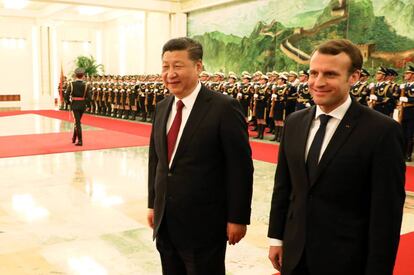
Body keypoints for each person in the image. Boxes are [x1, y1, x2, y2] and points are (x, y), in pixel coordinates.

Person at [267, 39, 405, 275]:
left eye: (330, 74)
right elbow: (284, 187)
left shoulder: (381, 131)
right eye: (313, 73)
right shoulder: (295, 122)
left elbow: (386, 212)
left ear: (354, 77)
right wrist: (277, 239)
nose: (318, 82)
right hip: (295, 252)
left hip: (347, 259)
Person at [147, 37, 253, 275]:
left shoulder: (224, 107)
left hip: (204, 224)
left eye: (178, 65)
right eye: (165, 66)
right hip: (166, 221)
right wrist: (153, 204)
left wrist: (237, 217)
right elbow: (156, 160)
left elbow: (240, 167)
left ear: (198, 67)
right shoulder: (163, 106)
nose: (170, 73)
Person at [65, 68, 91, 146]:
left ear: (76, 75)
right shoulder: (86, 85)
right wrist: (88, 105)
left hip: (75, 105)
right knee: (77, 121)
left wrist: (68, 103)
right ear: (83, 76)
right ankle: (74, 137)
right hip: (82, 105)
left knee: (77, 122)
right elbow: (89, 97)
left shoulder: (72, 84)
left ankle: (80, 141)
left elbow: (66, 95)